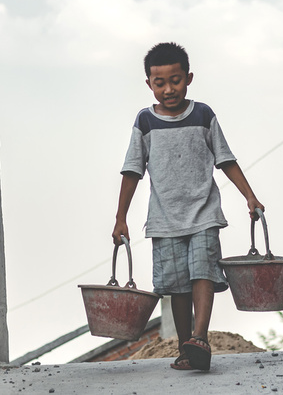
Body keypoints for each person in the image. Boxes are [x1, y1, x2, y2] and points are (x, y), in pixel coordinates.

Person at [112, 42, 264, 371]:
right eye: (160, 82)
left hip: (204, 213)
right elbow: (132, 172)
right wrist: (120, 218)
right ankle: (186, 348)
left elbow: (226, 160)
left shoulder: (203, 115)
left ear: (189, 78)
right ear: (149, 84)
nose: (169, 89)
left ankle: (200, 337)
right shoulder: (145, 122)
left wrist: (249, 196)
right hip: (165, 220)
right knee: (177, 287)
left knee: (203, 272)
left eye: (176, 80)